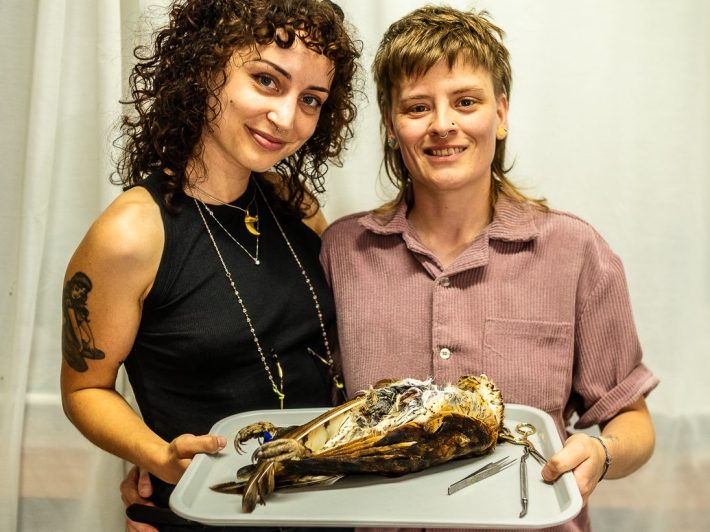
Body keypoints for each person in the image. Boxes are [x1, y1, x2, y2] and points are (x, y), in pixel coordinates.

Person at [319, 5, 658, 532]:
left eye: (466, 101)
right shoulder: (343, 251)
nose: (443, 124)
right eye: (417, 107)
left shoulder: (575, 251)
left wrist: (603, 452)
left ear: (500, 114)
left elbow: (631, 420)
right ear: (391, 127)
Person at [60, 0, 359, 530]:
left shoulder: (294, 202)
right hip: (206, 510)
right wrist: (154, 455)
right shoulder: (131, 234)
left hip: (321, 506)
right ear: (205, 67)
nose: (287, 118)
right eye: (267, 80)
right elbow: (85, 390)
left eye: (310, 99)